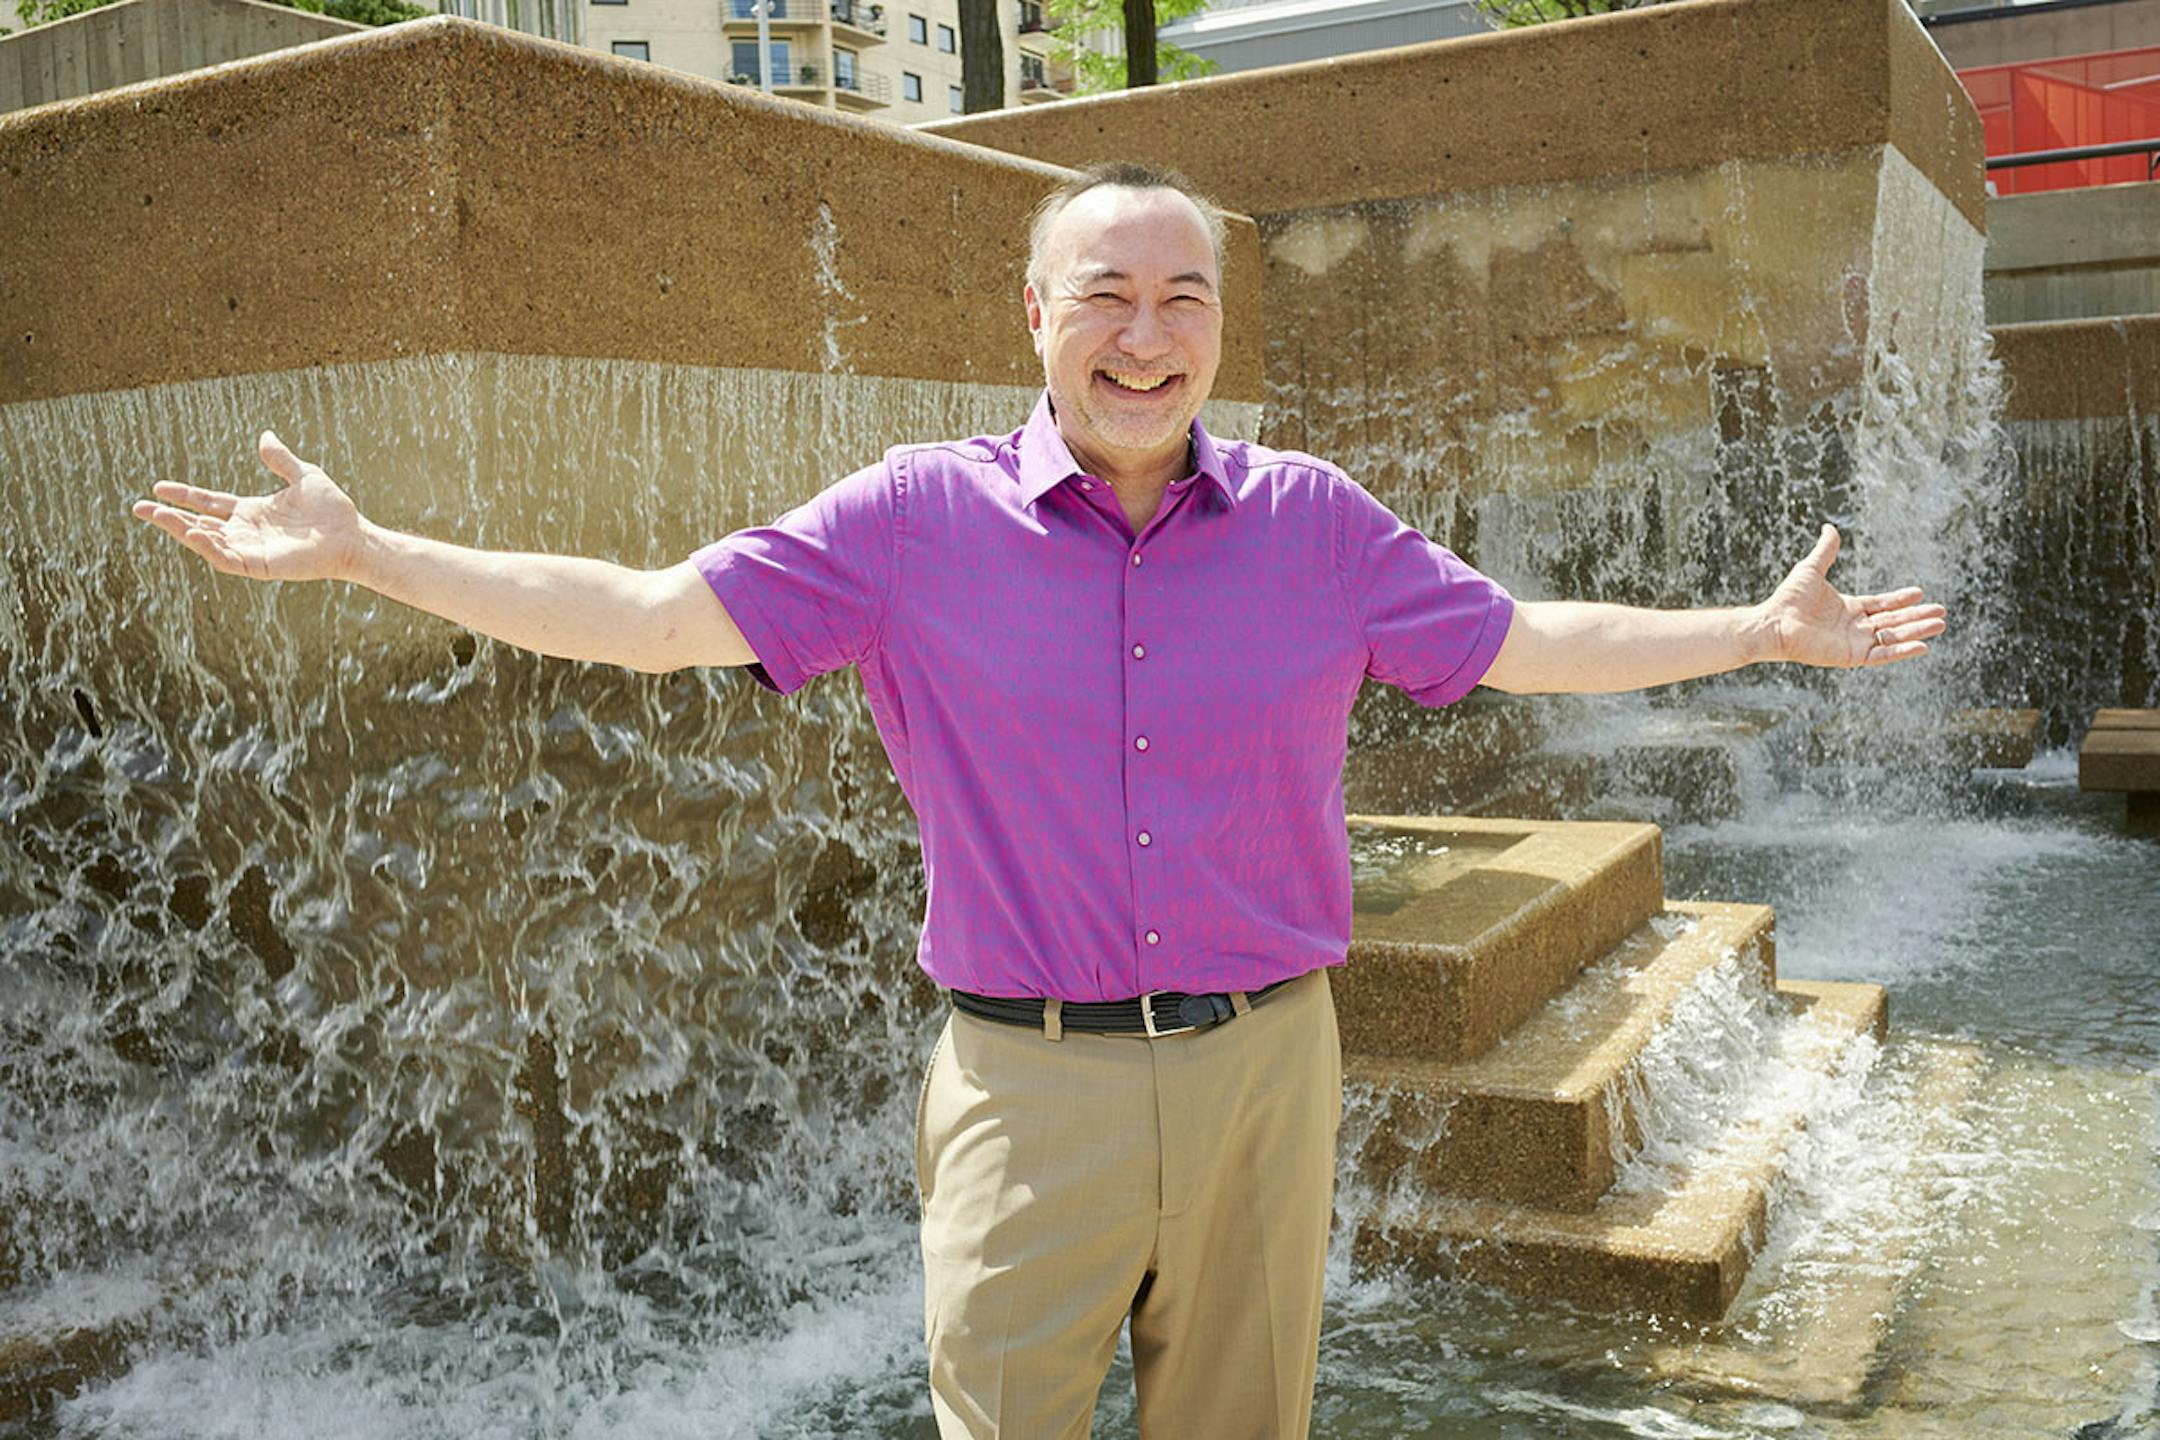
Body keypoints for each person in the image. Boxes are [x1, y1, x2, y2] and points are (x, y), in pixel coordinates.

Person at [131, 160, 1946, 1438]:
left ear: (1218, 325)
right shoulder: (909, 522)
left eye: (1183, 299)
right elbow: (646, 617)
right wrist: (371, 558)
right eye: (1107, 294)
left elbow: (1526, 636)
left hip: (1266, 1064)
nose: (1145, 334)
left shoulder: (1315, 522)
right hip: (1027, 1078)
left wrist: (1756, 634)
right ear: (1037, 314)